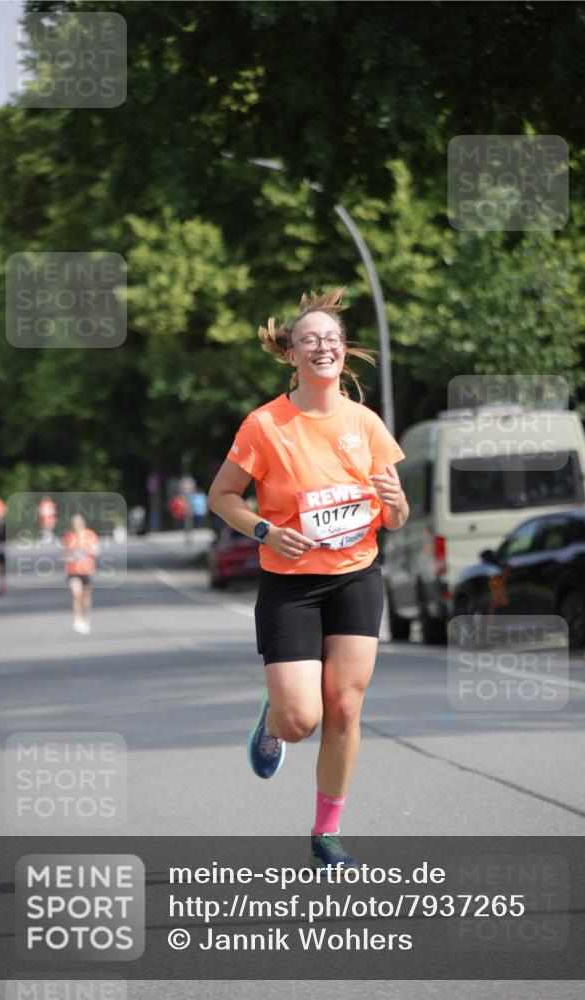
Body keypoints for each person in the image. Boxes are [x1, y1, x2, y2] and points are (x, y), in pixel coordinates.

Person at [208, 288, 409, 871]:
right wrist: (266, 531)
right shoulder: (266, 425)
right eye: (309, 340)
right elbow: (223, 496)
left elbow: (395, 518)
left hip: (355, 576)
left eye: (332, 339)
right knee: (302, 719)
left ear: (344, 353)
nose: (323, 347)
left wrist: (396, 503)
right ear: (291, 354)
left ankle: (327, 834)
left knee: (344, 709)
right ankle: (272, 720)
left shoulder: (366, 424)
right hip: (290, 582)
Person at [61, 514, 100, 634]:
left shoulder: (90, 535)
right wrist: (68, 558)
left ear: (83, 524)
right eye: (74, 524)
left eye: (78, 523)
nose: (76, 526)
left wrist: (86, 549)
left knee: (86, 597)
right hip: (73, 571)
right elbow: (64, 554)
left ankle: (86, 619)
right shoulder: (68, 537)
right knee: (76, 594)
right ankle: (77, 619)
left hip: (87, 570)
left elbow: (97, 551)